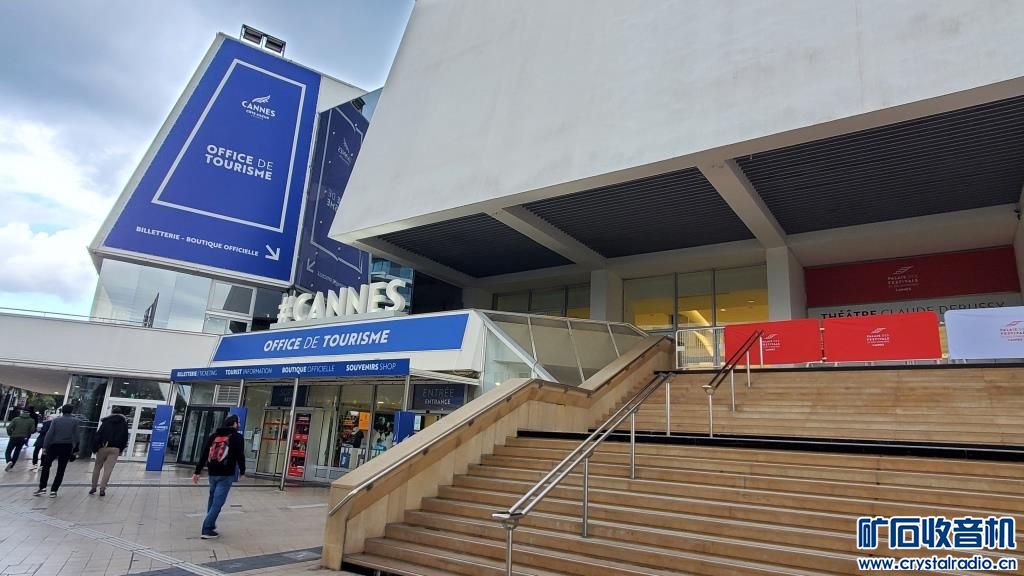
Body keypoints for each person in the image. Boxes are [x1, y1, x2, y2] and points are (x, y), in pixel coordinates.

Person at [192, 414, 245, 539]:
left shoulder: (214, 436)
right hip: (226, 474)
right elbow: (240, 455)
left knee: (212, 499)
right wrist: (242, 471)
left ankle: (210, 526)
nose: (239, 424)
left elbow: (204, 454)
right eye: (238, 422)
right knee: (218, 502)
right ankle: (206, 529)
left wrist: (197, 471)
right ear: (234, 424)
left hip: (212, 473)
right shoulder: (237, 437)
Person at [34, 405, 79, 498]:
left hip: (54, 445)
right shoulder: (75, 421)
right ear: (71, 411)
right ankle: (54, 490)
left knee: (46, 466)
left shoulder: (56, 420)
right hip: (67, 446)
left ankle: (42, 487)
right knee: (61, 469)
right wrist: (75, 449)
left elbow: (50, 433)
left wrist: (45, 446)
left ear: (62, 411)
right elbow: (76, 436)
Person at [89, 407, 129, 496]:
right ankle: (102, 489)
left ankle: (93, 487)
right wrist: (121, 449)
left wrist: (95, 447)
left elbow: (98, 435)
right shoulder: (123, 423)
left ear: (112, 412)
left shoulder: (105, 422)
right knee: (108, 469)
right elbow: (125, 437)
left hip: (103, 447)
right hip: (115, 448)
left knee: (97, 467)